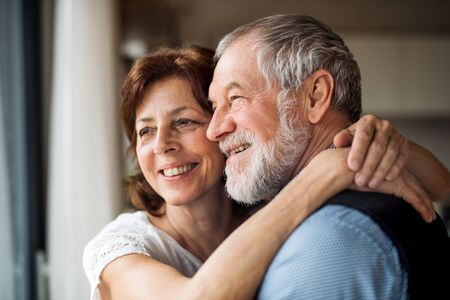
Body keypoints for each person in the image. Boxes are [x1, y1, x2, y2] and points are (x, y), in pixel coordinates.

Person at [82, 45, 440, 300]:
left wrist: (381, 143)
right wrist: (323, 175)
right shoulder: (119, 248)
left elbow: (442, 185)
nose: (161, 144)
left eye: (185, 122)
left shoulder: (260, 205)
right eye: (145, 130)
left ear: (225, 131)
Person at [207, 14, 450, 299]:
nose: (214, 130)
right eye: (213, 107)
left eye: (235, 99)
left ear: (315, 96)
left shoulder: (329, 238)